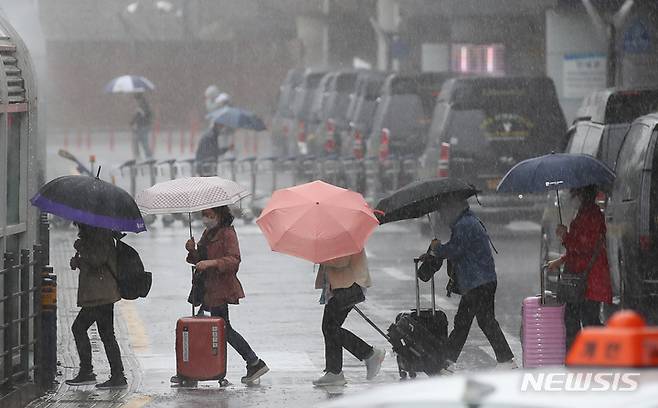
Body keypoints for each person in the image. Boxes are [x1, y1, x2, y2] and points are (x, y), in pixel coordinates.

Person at [171, 206, 269, 384]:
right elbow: (199, 259)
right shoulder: (208, 233)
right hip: (207, 289)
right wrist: (192, 251)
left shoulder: (227, 234)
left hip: (220, 289)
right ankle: (193, 370)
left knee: (219, 329)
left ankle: (252, 362)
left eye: (210, 215)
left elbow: (234, 260)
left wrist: (211, 263)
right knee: (209, 328)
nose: (206, 219)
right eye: (204, 215)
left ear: (220, 215)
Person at [427, 199, 516, 373]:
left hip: (477, 282)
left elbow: (455, 250)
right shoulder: (467, 221)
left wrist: (437, 249)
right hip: (483, 280)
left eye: (444, 212)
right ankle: (506, 360)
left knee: (464, 323)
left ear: (454, 208)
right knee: (484, 321)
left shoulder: (464, 225)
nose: (443, 217)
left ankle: (447, 363)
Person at [547, 185, 612, 350]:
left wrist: (565, 236)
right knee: (583, 318)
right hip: (588, 278)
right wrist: (561, 260)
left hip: (588, 279)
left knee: (581, 319)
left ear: (581, 195)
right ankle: (585, 354)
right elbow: (582, 249)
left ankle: (583, 353)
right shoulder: (588, 213)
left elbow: (584, 247)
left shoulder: (590, 215)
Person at [65, 223, 127, 389]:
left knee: (80, 328)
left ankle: (91, 372)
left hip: (101, 294)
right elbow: (92, 260)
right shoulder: (96, 235)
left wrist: (82, 248)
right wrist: (78, 261)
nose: (77, 226)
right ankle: (116, 375)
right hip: (99, 294)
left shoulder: (100, 235)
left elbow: (96, 260)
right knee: (106, 334)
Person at [312, 250, 386, 386]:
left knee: (331, 328)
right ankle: (334, 372)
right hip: (343, 286)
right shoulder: (335, 234)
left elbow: (342, 261)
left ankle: (369, 353)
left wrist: (321, 256)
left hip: (350, 286)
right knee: (330, 327)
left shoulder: (343, 236)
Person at [130, 93, 153, 160]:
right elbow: (138, 115)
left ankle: (147, 156)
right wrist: (133, 122)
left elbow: (141, 115)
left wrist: (133, 121)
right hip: (142, 126)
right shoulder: (141, 105)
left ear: (138, 99)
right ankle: (143, 155)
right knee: (139, 141)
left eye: (136, 100)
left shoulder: (143, 105)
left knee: (142, 141)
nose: (135, 101)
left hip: (143, 126)